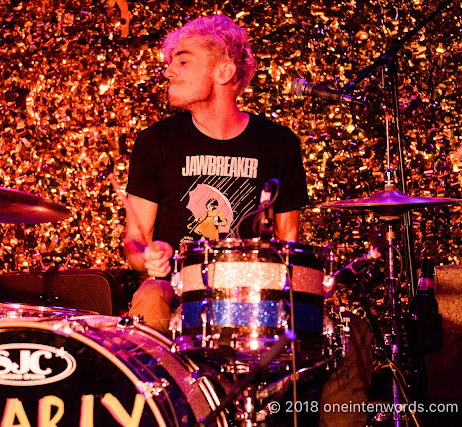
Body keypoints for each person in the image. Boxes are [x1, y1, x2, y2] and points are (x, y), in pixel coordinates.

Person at [124, 14, 371, 427]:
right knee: (149, 296)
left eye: (182, 60)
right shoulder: (156, 141)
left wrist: (315, 293)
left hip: (258, 290)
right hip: (182, 286)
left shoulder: (279, 143)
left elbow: (288, 239)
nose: (169, 70)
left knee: (351, 330)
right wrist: (148, 257)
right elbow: (134, 240)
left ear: (224, 70)